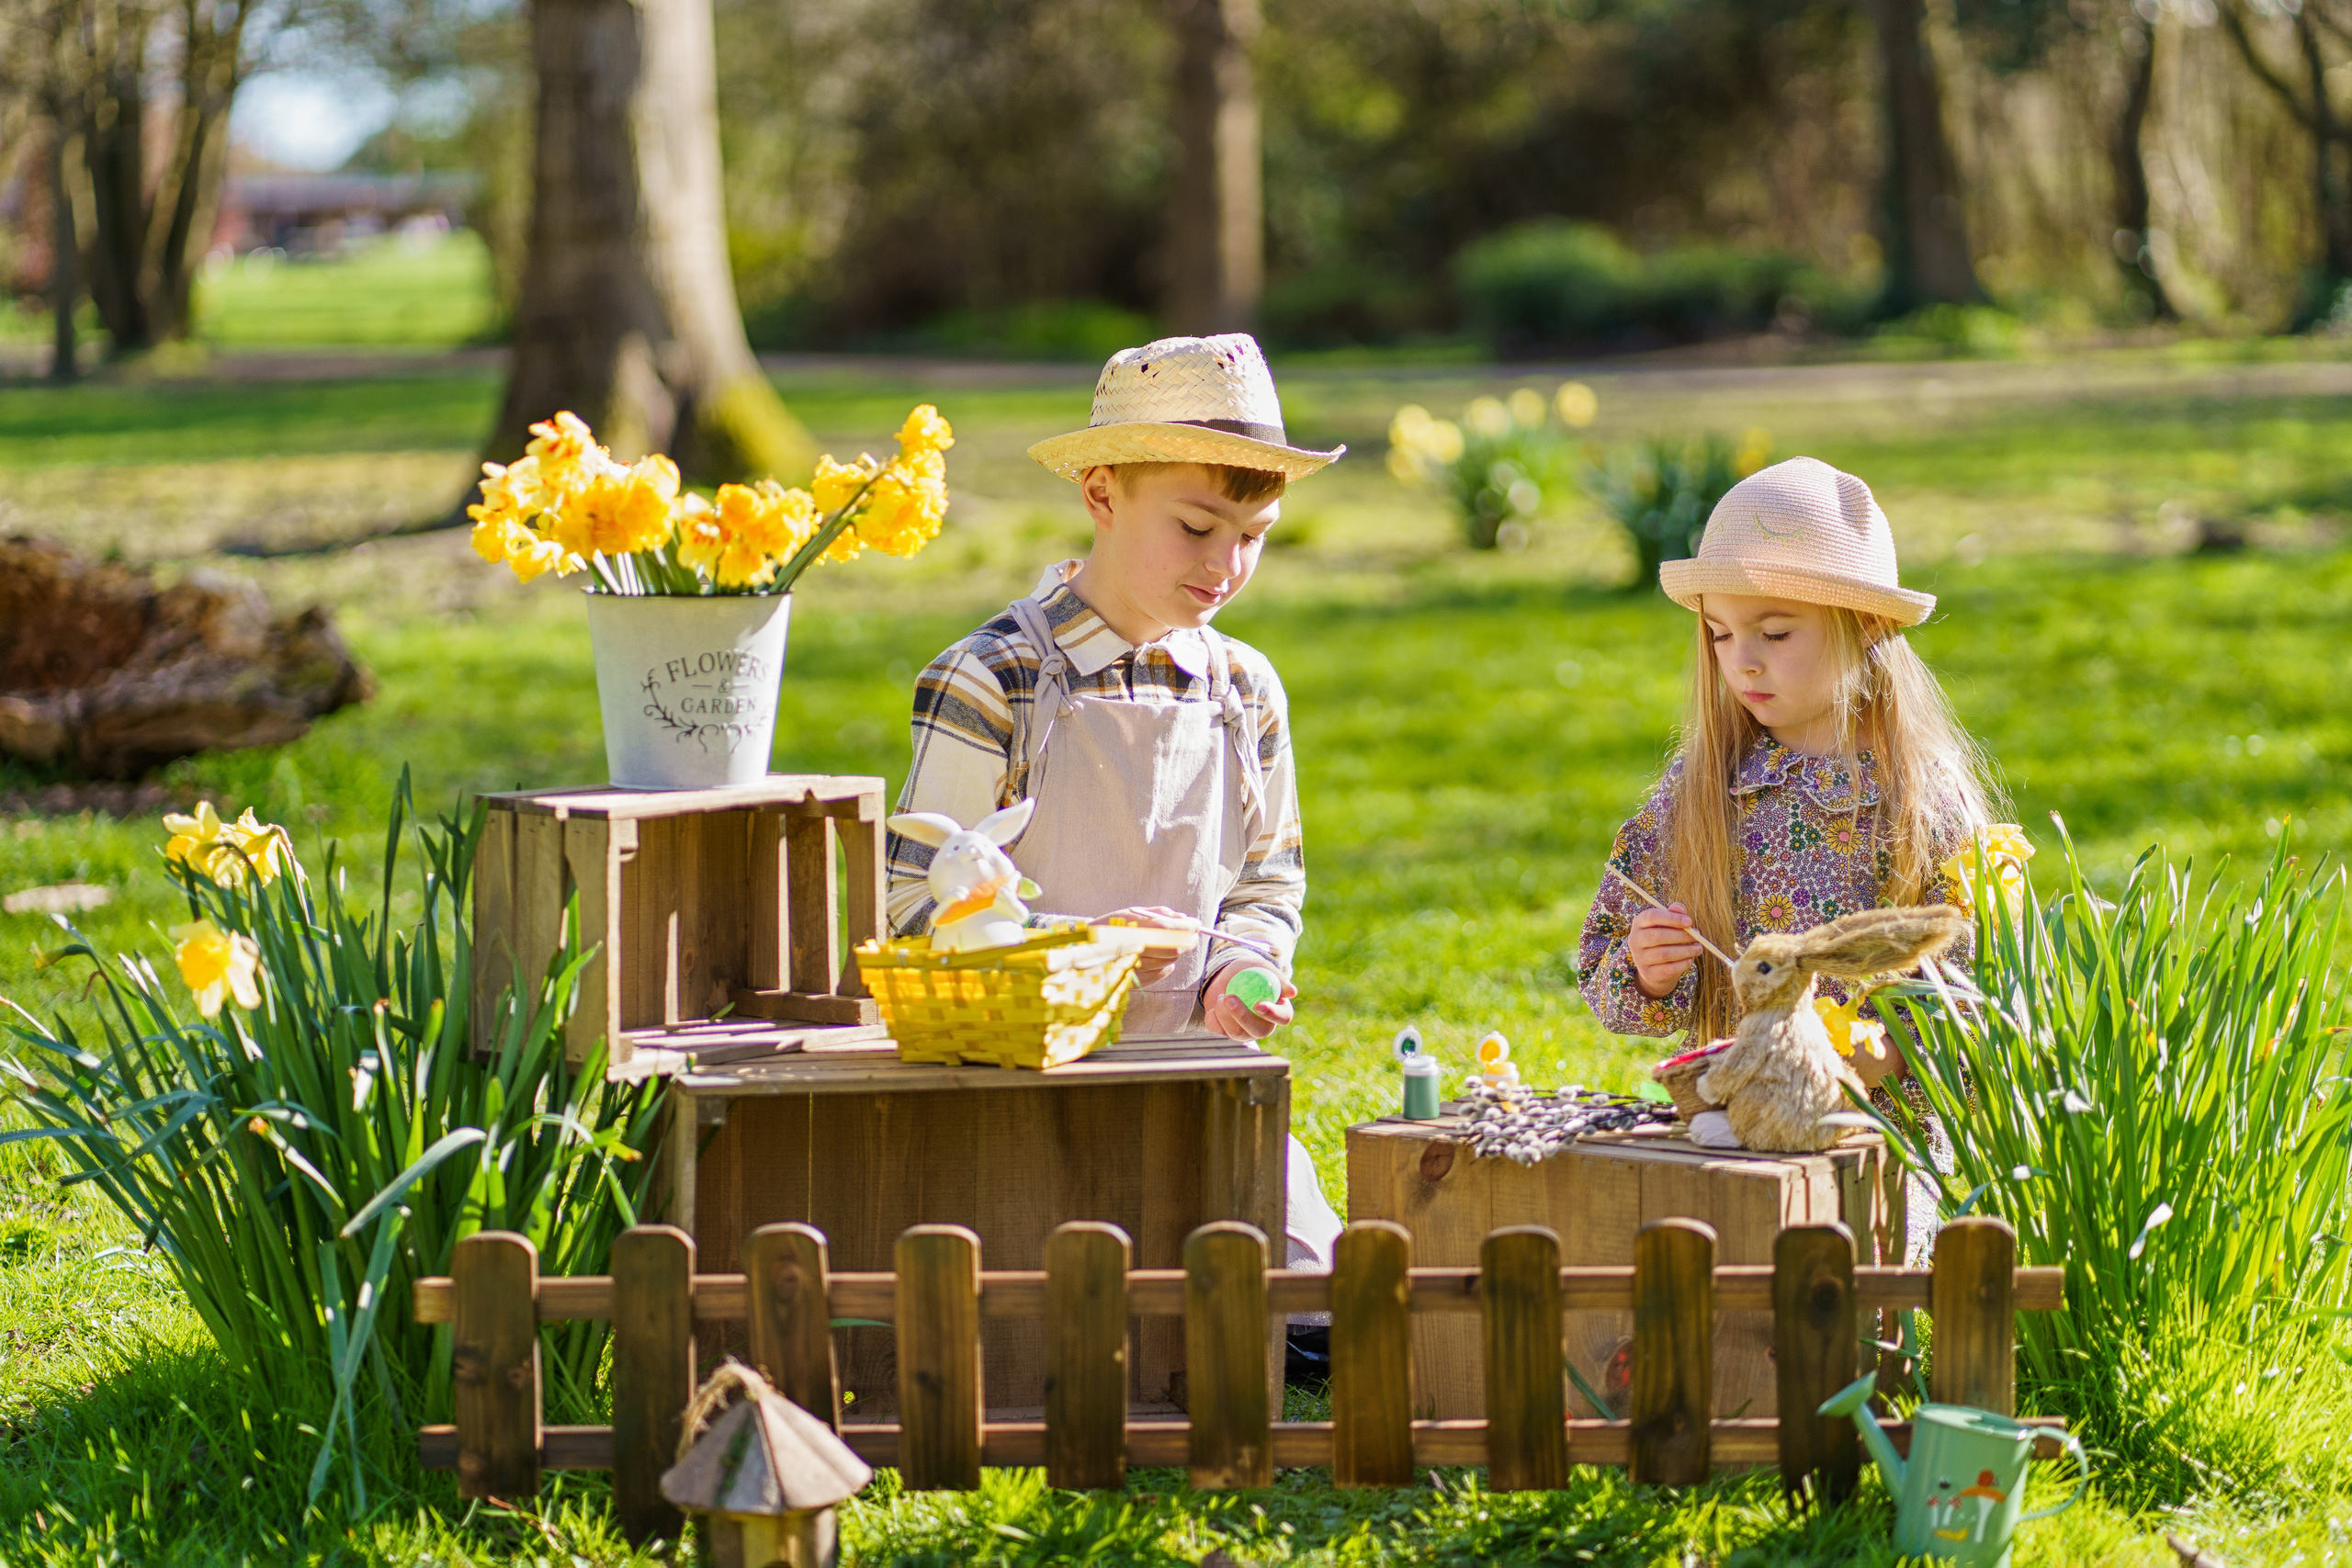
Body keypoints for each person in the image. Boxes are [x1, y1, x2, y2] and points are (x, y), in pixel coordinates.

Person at [887, 333, 1346, 1303]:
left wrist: (1243, 966)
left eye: (1253, 536)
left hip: (1195, 1080)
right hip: (1020, 1090)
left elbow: (1268, 878)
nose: (1226, 564)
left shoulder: (1243, 687)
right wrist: (1086, 949)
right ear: (1101, 494)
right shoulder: (992, 678)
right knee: (1069, 1299)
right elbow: (909, 911)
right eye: (1196, 527)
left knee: (1324, 1307)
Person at [1575, 457, 2001, 1247]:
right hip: (1722, 1137)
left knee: (1832, 1279)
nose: (1743, 660)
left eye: (1774, 632)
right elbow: (1602, 958)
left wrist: (1878, 1053)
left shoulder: (1921, 800)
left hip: (1869, 1144)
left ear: (1866, 626)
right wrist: (1646, 966)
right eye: (1721, 634)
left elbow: (1983, 997)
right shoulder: (1701, 790)